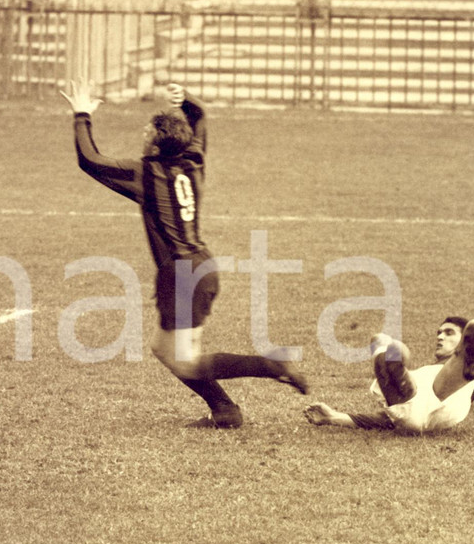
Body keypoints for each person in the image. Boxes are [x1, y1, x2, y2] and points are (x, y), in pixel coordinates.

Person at [60, 79, 308, 429]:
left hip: (181, 274)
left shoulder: (147, 173)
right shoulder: (193, 161)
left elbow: (90, 159)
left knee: (187, 361)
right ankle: (225, 411)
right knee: (165, 350)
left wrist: (81, 114)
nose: (143, 135)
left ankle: (271, 366)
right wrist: (187, 101)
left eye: (147, 132)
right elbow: (202, 118)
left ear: (157, 145)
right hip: (201, 266)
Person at [304, 247, 474, 434]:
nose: (440, 336)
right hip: (410, 411)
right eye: (439, 332)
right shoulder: (425, 372)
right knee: (388, 353)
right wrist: (334, 417)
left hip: (448, 401)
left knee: (391, 349)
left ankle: (459, 359)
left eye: (448, 333)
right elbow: (385, 420)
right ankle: (395, 365)